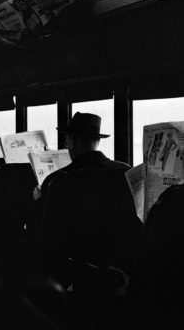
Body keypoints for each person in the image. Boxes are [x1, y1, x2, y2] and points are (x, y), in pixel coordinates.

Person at [31, 112, 143, 286]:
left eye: (67, 140)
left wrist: (39, 201)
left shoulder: (57, 181)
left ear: (73, 142)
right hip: (117, 271)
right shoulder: (125, 172)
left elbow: (44, 236)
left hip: (73, 272)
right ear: (96, 141)